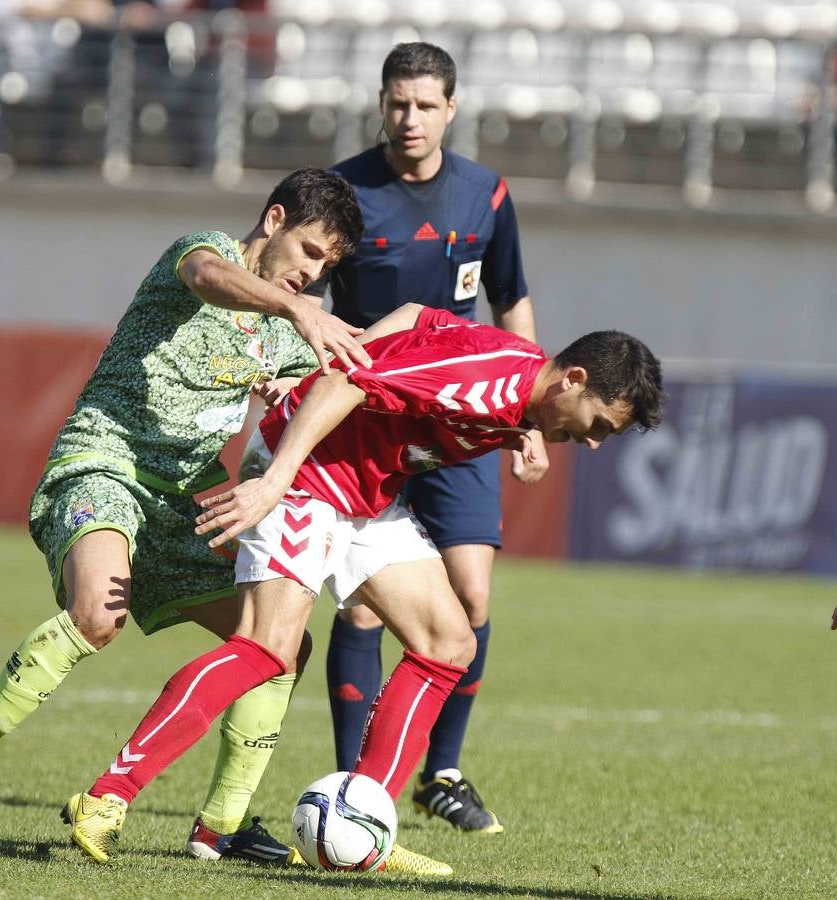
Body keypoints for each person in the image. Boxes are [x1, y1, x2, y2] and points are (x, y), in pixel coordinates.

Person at [57, 305, 664, 874]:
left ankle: (366, 820)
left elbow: (417, 313)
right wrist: (275, 479)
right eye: (598, 426)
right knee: (268, 647)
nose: (590, 443)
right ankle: (107, 796)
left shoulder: (517, 392)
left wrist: (519, 430)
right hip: (307, 470)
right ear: (574, 380)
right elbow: (347, 380)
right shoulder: (486, 380)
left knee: (449, 643)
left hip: (365, 495)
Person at [0, 167, 372, 865]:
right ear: (276, 218)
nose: (313, 276)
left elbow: (359, 377)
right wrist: (296, 313)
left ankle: (219, 826)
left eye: (328, 267)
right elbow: (206, 276)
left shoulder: (289, 332)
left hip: (183, 503)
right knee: (98, 613)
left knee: (281, 645)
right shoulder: (201, 254)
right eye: (311, 252)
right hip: (103, 461)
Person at [318, 41, 544, 835]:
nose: (408, 118)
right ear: (380, 104)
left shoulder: (485, 194)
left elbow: (511, 300)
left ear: (451, 108)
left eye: (424, 105)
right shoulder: (344, 191)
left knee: (473, 595)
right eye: (396, 103)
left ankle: (441, 772)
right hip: (366, 423)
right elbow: (296, 289)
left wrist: (529, 417)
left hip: (463, 425)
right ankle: (355, 785)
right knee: (364, 611)